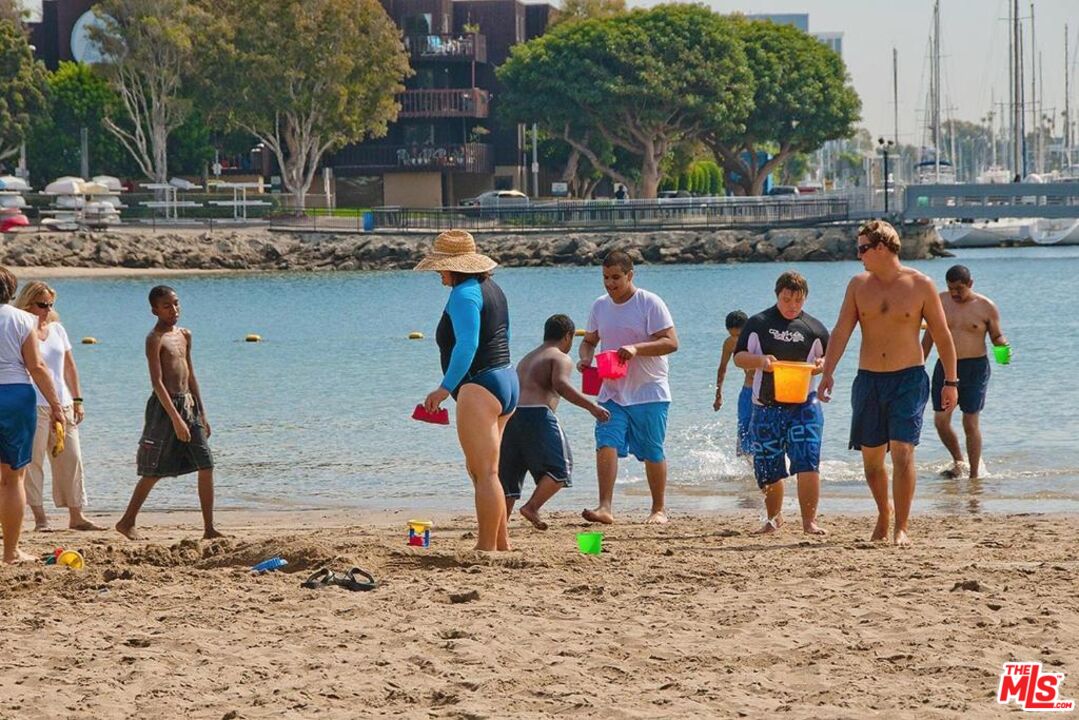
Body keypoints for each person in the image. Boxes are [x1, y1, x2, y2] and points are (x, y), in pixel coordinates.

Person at [819, 220, 958, 546]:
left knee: (902, 451)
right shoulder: (858, 285)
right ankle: (885, 512)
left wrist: (951, 381)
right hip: (869, 380)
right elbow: (842, 330)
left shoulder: (920, 284)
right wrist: (828, 371)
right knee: (871, 460)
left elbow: (942, 334)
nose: (859, 255)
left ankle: (902, 528)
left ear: (881, 248)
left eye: (863, 248)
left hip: (908, 378)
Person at [415, 230, 519, 551]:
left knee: (484, 472)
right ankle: (501, 543)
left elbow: (468, 345)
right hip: (506, 380)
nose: (438, 273)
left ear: (452, 267)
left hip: (480, 387)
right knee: (486, 470)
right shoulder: (493, 289)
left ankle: (485, 547)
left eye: (440, 267)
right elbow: (503, 334)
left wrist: (445, 388)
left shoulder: (463, 295)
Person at [578, 250, 678, 525]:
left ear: (630, 275)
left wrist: (636, 348)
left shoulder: (649, 303)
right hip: (611, 390)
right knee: (606, 441)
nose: (610, 284)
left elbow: (671, 342)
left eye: (616, 278)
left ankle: (658, 509)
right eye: (605, 278)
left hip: (649, 390)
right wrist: (586, 358)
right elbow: (589, 341)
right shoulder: (600, 306)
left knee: (652, 450)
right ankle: (605, 508)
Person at [115, 286, 222, 540]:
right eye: (166, 306)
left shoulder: (185, 334)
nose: (173, 310)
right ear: (155, 310)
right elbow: (157, 382)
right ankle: (127, 521)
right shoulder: (155, 338)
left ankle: (209, 528)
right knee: (154, 470)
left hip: (189, 404)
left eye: (176, 304)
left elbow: (191, 374)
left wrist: (202, 412)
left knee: (206, 464)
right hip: (165, 409)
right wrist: (175, 419)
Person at [734, 272, 829, 535]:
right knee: (768, 466)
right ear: (778, 295)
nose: (792, 305)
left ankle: (809, 522)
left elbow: (827, 361)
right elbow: (739, 358)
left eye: (798, 300)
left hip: (804, 405)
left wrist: (822, 366)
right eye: (787, 299)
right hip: (765, 405)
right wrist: (761, 361)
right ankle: (774, 518)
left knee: (808, 461)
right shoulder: (758, 323)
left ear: (805, 299)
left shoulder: (815, 329)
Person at [500, 314, 610, 531]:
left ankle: (499, 523)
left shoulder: (528, 357)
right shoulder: (560, 357)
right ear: (568, 336)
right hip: (538, 415)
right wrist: (592, 407)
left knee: (510, 477)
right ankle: (531, 507)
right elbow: (560, 385)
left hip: (512, 416)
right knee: (561, 468)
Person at [14, 281, 103, 531]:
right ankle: (41, 519)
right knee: (33, 463)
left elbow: (69, 367)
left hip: (62, 404)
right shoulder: (20, 329)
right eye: (42, 305)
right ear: (27, 304)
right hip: (33, 404)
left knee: (71, 458)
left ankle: (76, 515)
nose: (47, 309)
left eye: (50, 304)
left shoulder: (57, 330)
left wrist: (77, 399)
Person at [0, 266, 65, 564]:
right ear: (12, 293)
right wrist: (56, 405)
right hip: (14, 395)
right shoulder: (23, 319)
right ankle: (11, 552)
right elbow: (36, 367)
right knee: (13, 478)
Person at [921, 264, 1008, 479]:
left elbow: (996, 336)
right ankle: (959, 461)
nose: (954, 293)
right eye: (950, 288)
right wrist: (918, 363)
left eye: (959, 288)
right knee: (941, 420)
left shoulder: (986, 306)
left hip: (975, 368)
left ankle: (975, 475)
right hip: (946, 366)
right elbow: (930, 337)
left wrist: (1003, 349)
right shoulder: (939, 302)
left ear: (970, 284)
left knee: (970, 422)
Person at [713, 310, 754, 457]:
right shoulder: (729, 343)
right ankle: (745, 471)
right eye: (733, 335)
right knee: (743, 426)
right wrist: (718, 394)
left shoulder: (757, 338)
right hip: (748, 388)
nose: (737, 339)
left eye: (739, 335)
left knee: (760, 426)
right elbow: (722, 368)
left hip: (765, 389)